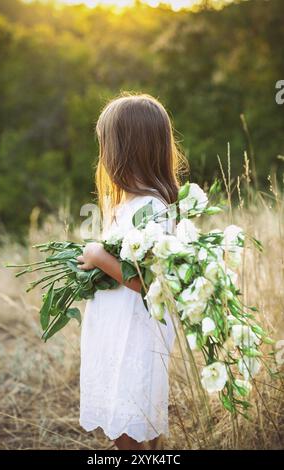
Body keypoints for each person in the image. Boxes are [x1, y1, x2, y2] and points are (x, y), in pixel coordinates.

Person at [77, 92, 188, 450]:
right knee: (125, 410)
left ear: (126, 150)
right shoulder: (127, 203)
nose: (104, 156)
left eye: (107, 146)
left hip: (134, 333)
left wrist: (96, 254)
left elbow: (148, 281)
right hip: (117, 328)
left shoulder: (152, 207)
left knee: (130, 411)